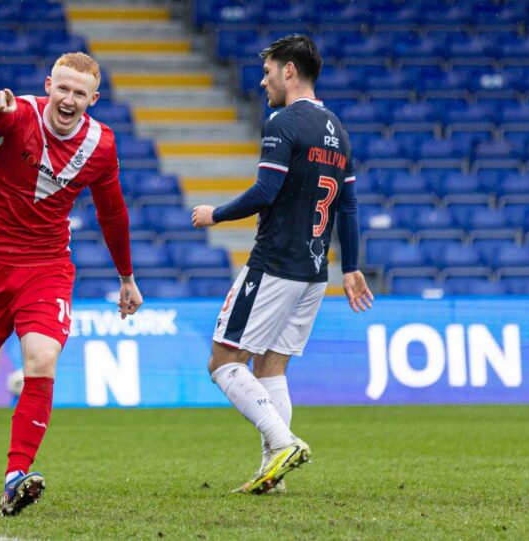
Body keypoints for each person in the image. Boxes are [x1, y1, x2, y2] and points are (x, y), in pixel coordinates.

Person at [0, 52, 143, 516]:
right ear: (48, 85)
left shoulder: (101, 145)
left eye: (80, 93)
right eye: (63, 88)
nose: (69, 99)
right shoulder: (21, 114)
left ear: (93, 99)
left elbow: (112, 212)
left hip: (46, 265)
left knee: (41, 358)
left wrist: (126, 277)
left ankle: (16, 474)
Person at [191, 34, 373, 495]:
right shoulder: (338, 129)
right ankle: (273, 475)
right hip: (315, 271)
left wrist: (216, 214)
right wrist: (349, 267)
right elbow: (347, 207)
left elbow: (265, 192)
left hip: (274, 262)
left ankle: (282, 441)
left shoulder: (282, 122)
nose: (263, 79)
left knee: (223, 361)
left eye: (269, 71)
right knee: (271, 370)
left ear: (290, 71)